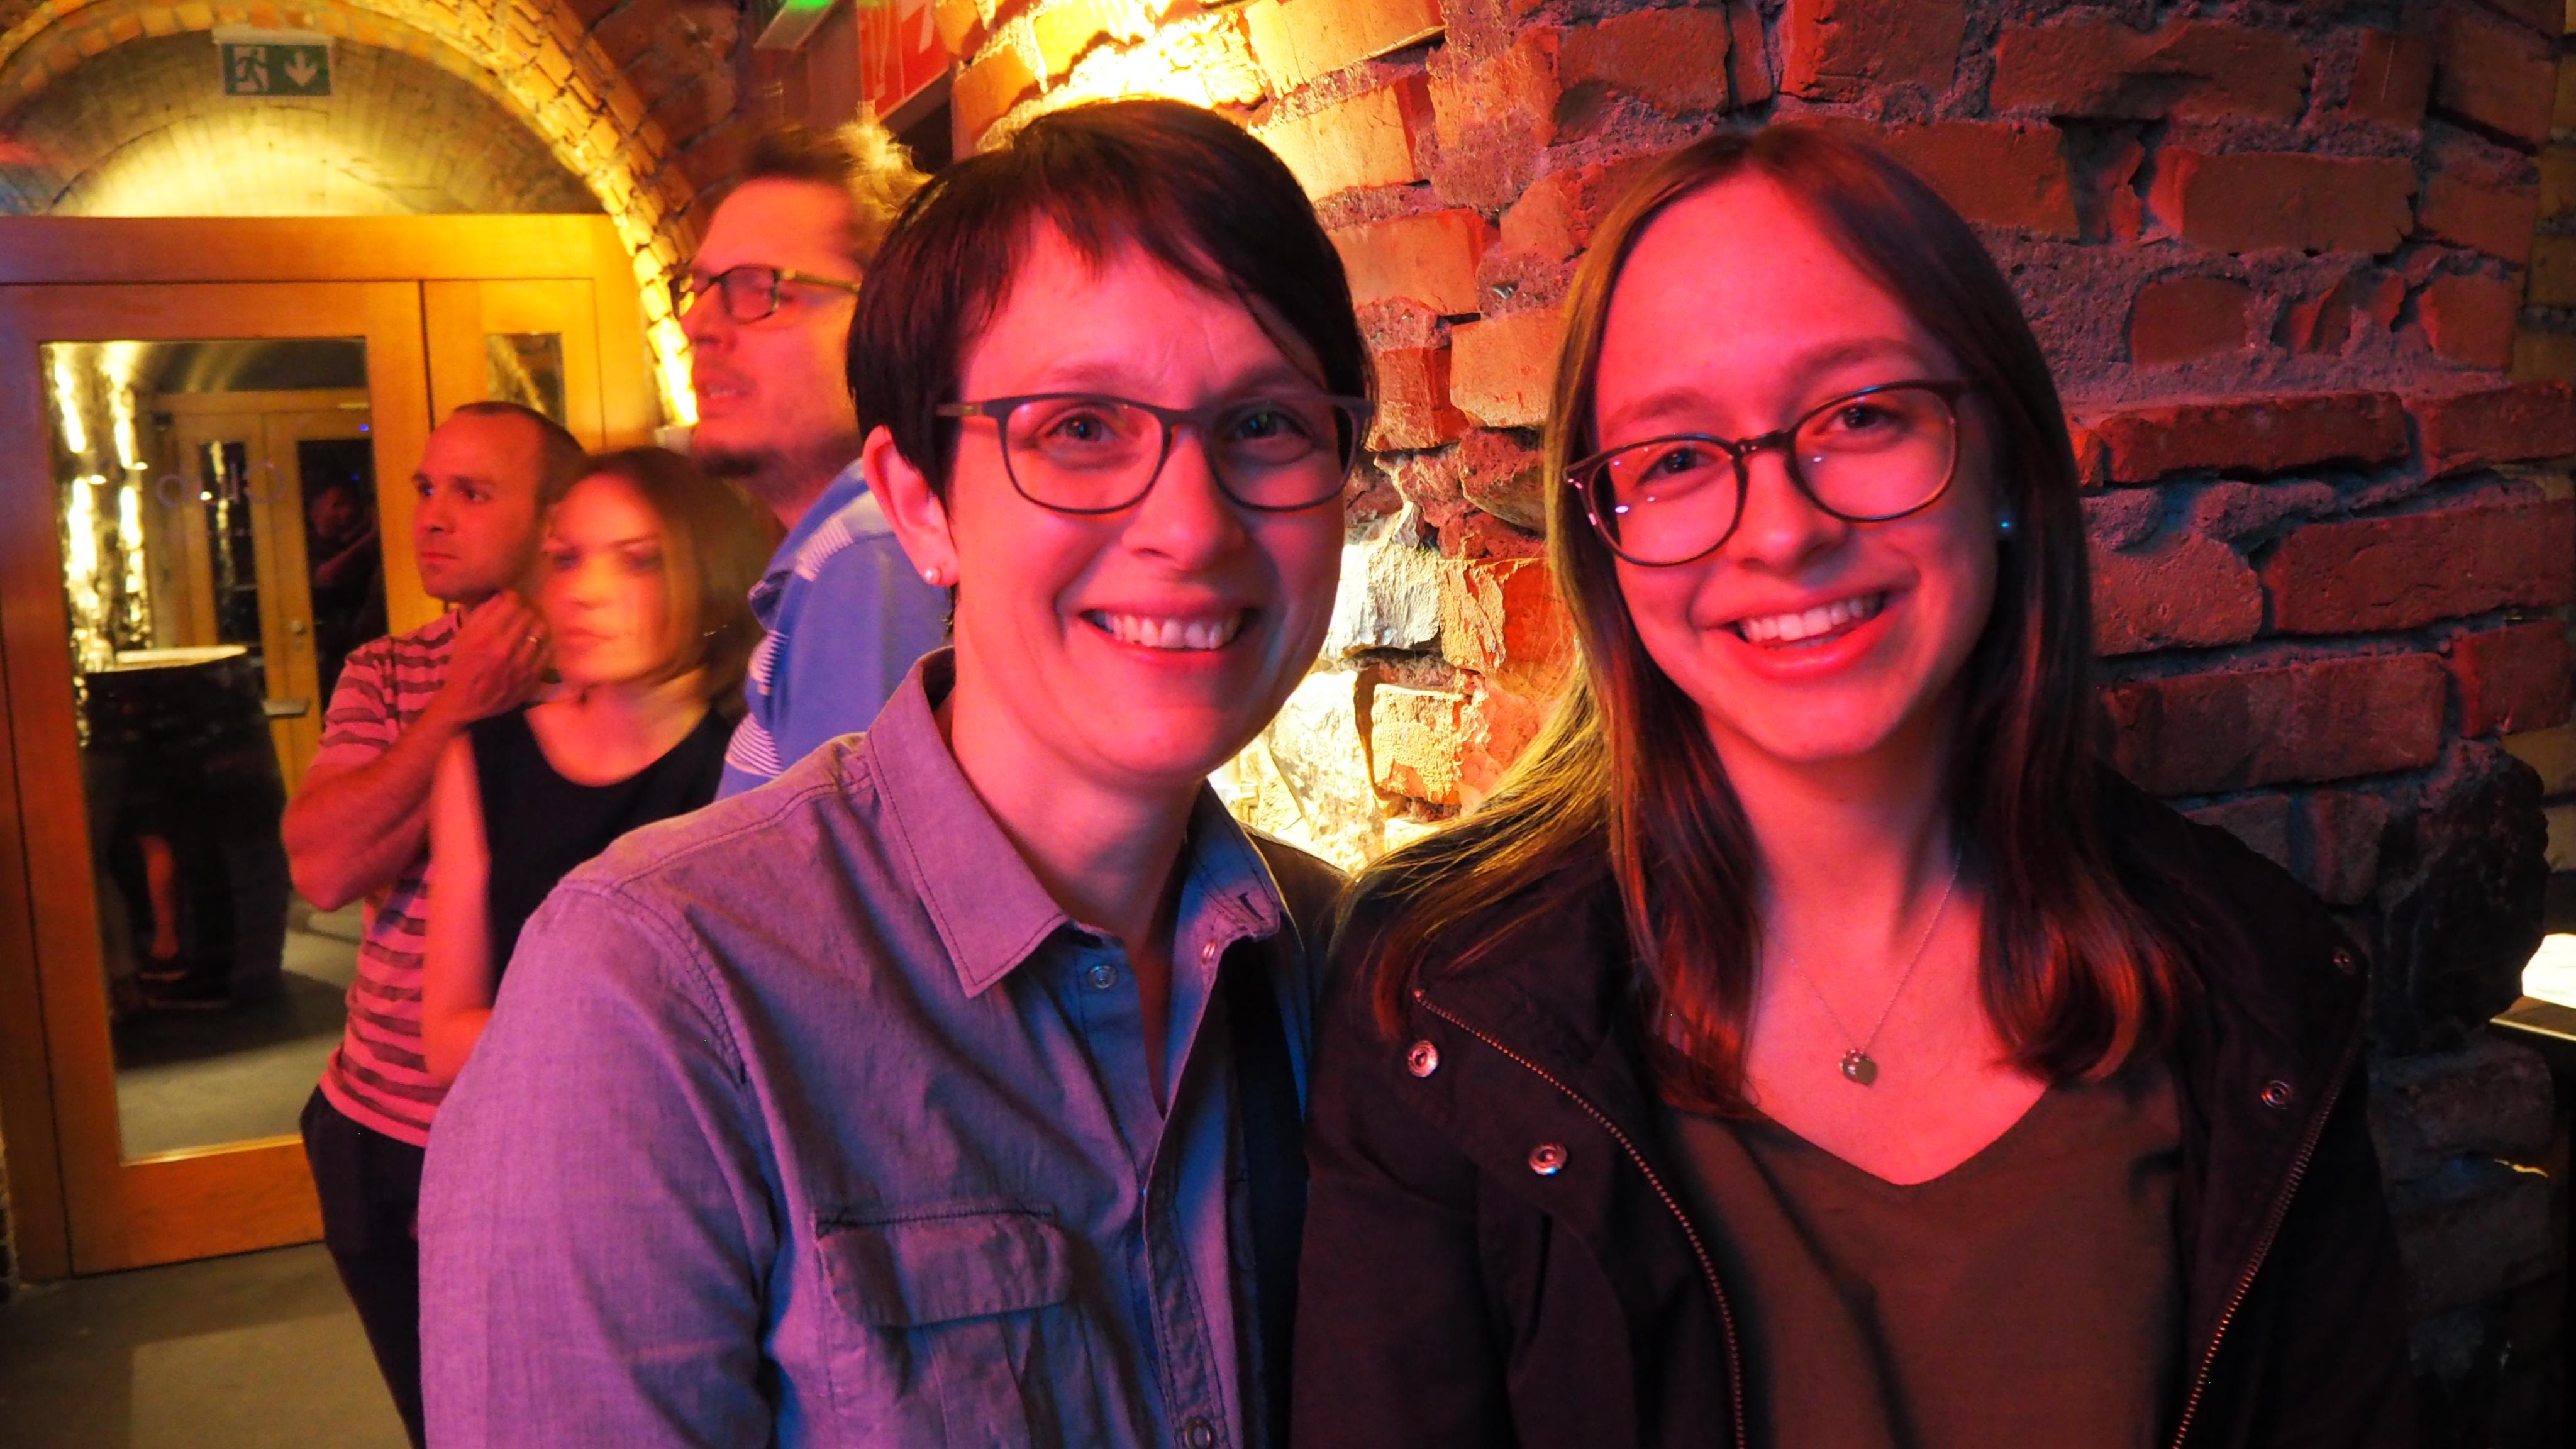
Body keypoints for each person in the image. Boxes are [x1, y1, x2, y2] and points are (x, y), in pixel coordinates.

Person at [1292, 126, 2413, 1448]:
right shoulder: (1436, 996)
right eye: (1673, 457)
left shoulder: (2258, 985)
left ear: (2003, 460)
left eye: (1861, 415)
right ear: (1605, 545)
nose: (1783, 532)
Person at [419, 99, 1365, 1448]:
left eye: (1265, 423)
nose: (1190, 524)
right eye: (1079, 428)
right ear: (920, 500)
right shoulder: (652, 993)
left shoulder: (1338, 963)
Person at [280, 399, 586, 1449]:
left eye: (472, 492)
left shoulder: (619, 670)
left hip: (556, 1126)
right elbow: (325, 867)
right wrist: (458, 704)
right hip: (386, 1128)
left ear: (555, 519)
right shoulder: (388, 671)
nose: (431, 516)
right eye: (423, 488)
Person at [419, 448, 767, 1087]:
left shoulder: (750, 765)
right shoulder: (486, 759)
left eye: (638, 561)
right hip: (535, 1130)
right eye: (567, 560)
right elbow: (445, 1041)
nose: (584, 592)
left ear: (709, 572)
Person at [679, 119, 950, 796]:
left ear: (889, 321)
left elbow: (861, 862)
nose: (695, 325)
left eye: (758, 288)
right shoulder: (840, 558)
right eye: (700, 288)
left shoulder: (869, 556)